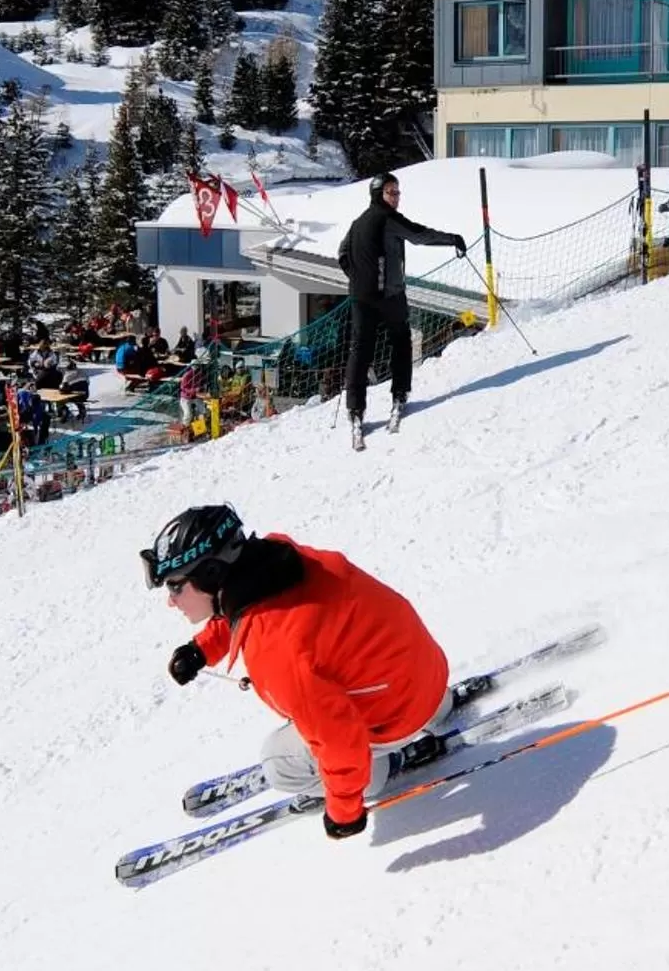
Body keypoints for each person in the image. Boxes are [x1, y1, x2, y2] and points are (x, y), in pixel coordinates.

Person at [147, 506, 451, 841]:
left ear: (210, 573)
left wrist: (344, 814)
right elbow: (243, 602)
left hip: (396, 716)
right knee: (327, 681)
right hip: (423, 670)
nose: (171, 601)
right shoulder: (278, 558)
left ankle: (379, 772)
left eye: (175, 586)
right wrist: (203, 648)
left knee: (278, 764)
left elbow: (340, 742)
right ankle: (437, 708)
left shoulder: (276, 649)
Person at [335, 172, 465, 449]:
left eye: (398, 192)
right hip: (389, 295)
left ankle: (355, 409)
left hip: (361, 297)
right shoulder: (387, 218)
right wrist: (453, 239)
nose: (396, 197)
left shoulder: (357, 223)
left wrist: (357, 279)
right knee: (401, 343)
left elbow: (342, 254)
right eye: (391, 192)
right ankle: (400, 394)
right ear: (378, 194)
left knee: (360, 351)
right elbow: (419, 235)